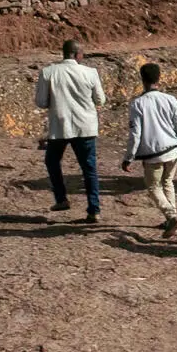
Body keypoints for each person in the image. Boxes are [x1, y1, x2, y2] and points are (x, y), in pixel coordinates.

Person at [34, 39, 107, 224]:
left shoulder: (48, 72)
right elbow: (100, 100)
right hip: (86, 126)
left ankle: (61, 198)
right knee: (89, 169)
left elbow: (41, 102)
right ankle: (94, 209)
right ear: (76, 54)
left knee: (52, 161)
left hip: (60, 126)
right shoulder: (91, 73)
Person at [121, 62, 177, 236]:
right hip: (172, 149)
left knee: (153, 187)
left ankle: (171, 217)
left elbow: (135, 134)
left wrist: (129, 157)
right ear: (159, 78)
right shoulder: (170, 99)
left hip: (152, 154)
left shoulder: (137, 103)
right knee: (168, 182)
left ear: (142, 79)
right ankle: (170, 218)